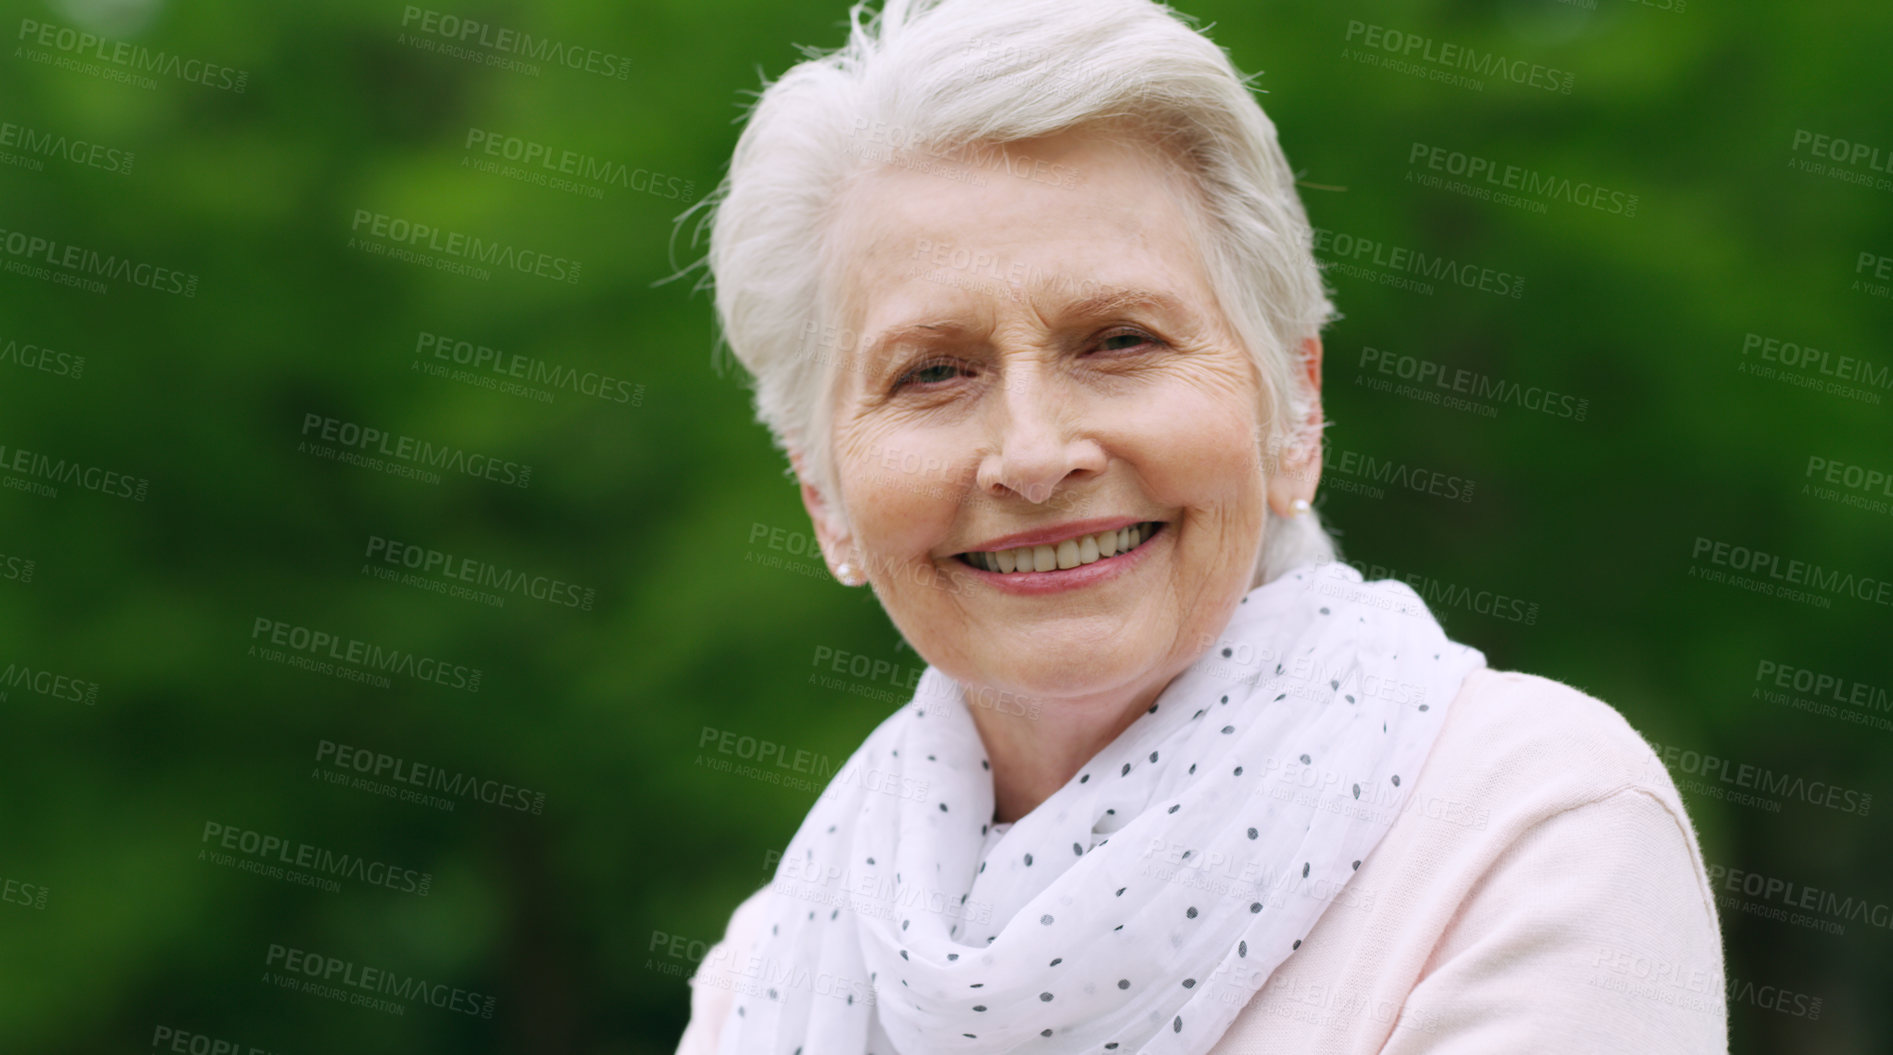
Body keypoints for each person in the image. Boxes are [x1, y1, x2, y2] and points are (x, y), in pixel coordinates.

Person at [674, 0, 1727, 1050]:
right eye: (934, 371)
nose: (1036, 454)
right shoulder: (771, 967)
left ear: (1294, 412)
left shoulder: (1527, 830)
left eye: (1120, 340)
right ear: (824, 496)